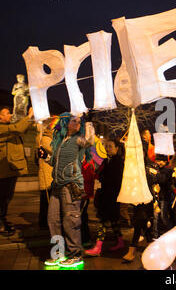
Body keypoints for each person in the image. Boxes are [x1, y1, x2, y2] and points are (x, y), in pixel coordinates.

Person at [40, 113, 94, 268]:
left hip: (71, 185)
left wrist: (89, 123)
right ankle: (58, 253)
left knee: (70, 221)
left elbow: (90, 141)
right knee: (53, 220)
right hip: (57, 186)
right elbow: (55, 163)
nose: (77, 123)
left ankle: (75, 254)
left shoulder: (78, 139)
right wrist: (45, 157)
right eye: (73, 121)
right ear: (65, 123)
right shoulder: (60, 141)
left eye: (79, 121)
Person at [0, 106, 34, 236]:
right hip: (4, 167)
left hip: (11, 168)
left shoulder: (8, 129)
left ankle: (2, 220)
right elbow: (18, 128)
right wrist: (28, 116)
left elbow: (22, 129)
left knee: (7, 196)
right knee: (3, 197)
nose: (10, 115)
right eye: (6, 113)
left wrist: (30, 120)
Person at [85, 139, 125, 257]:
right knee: (113, 221)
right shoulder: (107, 160)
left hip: (111, 197)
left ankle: (98, 247)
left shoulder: (118, 161)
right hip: (107, 195)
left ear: (117, 148)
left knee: (103, 222)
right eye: (106, 147)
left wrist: (101, 177)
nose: (107, 149)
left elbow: (114, 179)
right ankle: (120, 241)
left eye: (110, 146)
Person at [35, 119, 54, 229]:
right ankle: (44, 224)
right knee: (47, 202)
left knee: (46, 202)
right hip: (47, 176)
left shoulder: (44, 138)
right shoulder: (46, 139)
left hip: (48, 175)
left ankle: (44, 223)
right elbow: (56, 151)